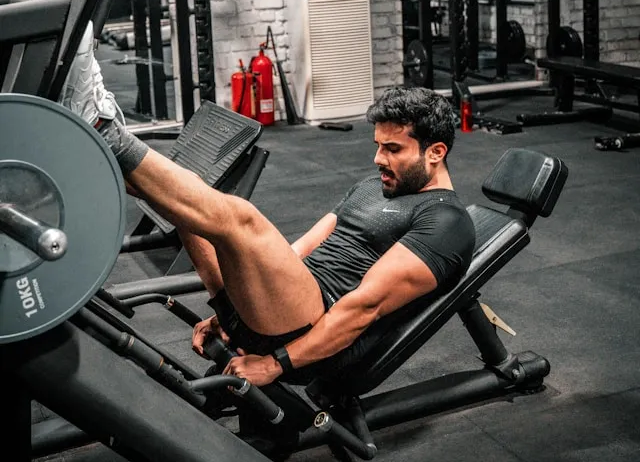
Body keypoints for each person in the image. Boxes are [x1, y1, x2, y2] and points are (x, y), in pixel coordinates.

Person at [61, 28, 475, 387]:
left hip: (309, 332)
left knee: (240, 217)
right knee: (189, 214)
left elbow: (361, 307)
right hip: (277, 308)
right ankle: (92, 139)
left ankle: (104, 128)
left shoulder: (446, 221)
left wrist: (275, 365)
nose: (378, 159)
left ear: (436, 152)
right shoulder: (372, 187)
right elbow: (297, 253)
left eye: (393, 149)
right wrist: (240, 308)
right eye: (377, 146)